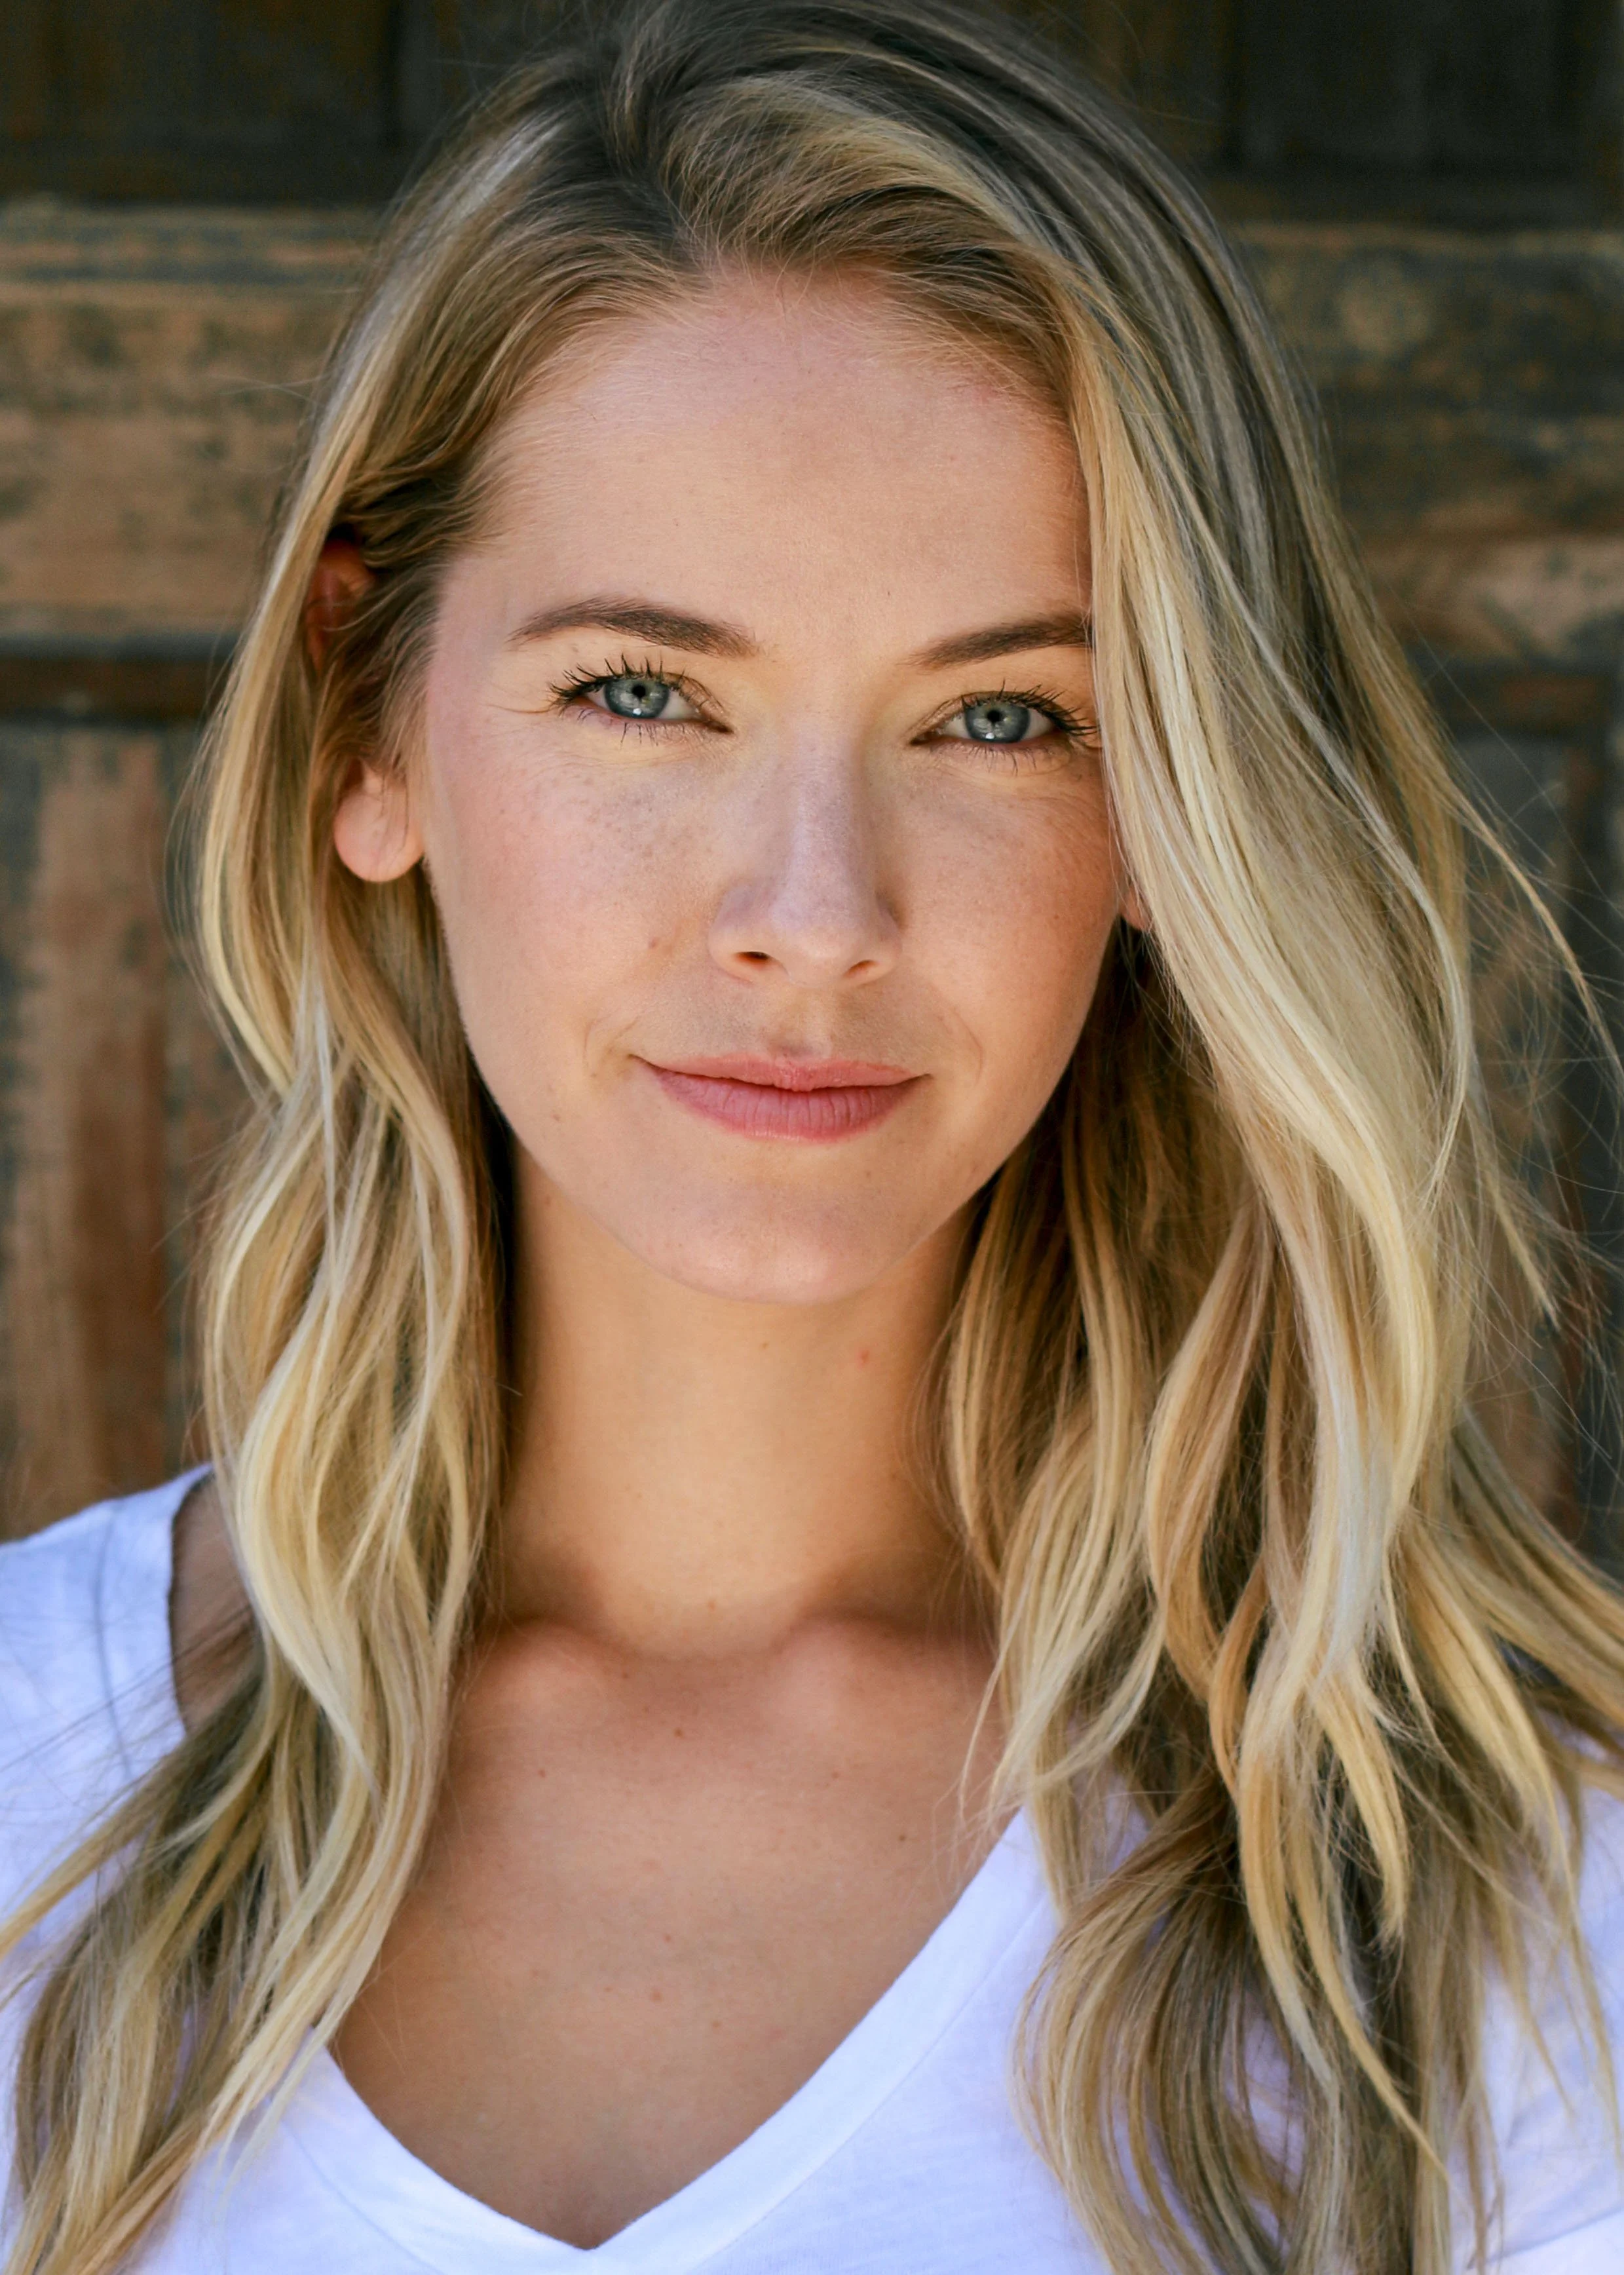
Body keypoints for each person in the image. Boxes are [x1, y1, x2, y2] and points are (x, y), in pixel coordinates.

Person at [1, 1, 1621, 2268]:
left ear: (1172, 803)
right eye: (644, 694)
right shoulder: (25, 1792)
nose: (814, 917)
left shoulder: (1505, 1919)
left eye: (997, 716)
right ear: (369, 725)